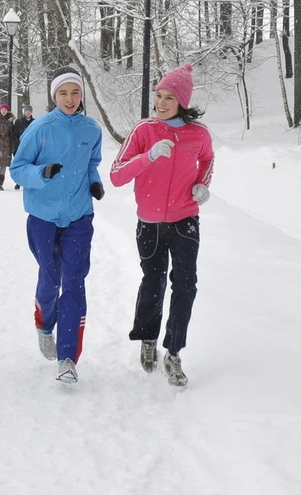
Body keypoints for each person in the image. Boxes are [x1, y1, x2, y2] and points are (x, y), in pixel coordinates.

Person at [109, 63, 214, 387]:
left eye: (169, 97)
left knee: (185, 285)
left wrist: (201, 184)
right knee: (152, 283)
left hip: (185, 220)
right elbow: (116, 175)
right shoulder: (144, 131)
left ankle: (173, 353)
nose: (161, 102)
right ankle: (148, 338)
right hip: (150, 223)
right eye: (158, 95)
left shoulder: (198, 134)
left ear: (182, 101)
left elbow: (207, 160)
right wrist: (148, 157)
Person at [9, 68, 104, 384]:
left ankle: (67, 358)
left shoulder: (92, 129)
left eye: (75, 93)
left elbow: (92, 163)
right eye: (63, 93)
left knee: (74, 281)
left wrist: (95, 183)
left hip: (79, 216)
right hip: (43, 217)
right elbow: (18, 169)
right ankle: (44, 323)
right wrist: (42, 174)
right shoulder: (40, 128)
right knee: (50, 276)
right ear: (54, 95)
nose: (70, 99)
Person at [11, 105, 36, 190]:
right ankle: (18, 182)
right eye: (26, 110)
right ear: (24, 112)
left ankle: (28, 182)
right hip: (20, 147)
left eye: (29, 111)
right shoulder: (19, 121)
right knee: (20, 165)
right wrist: (17, 144)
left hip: (31, 147)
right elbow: (14, 134)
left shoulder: (34, 122)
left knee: (29, 165)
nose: (28, 112)